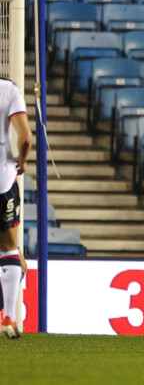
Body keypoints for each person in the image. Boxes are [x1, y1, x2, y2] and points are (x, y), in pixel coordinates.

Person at [0, 76, 30, 339]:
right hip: (2, 180)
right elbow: (26, 137)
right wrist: (23, 158)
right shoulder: (8, 90)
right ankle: (8, 319)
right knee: (10, 249)